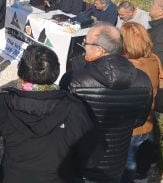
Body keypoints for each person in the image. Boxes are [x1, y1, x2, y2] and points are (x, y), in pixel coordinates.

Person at [0, 44, 97, 182]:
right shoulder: (75, 107)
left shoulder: (3, 103)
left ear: (21, 72)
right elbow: (92, 157)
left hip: (15, 176)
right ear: (56, 72)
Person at [63, 23, 152, 182]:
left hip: (80, 160)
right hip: (116, 160)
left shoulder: (74, 79)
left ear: (99, 49)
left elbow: (63, 120)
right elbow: (139, 119)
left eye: (86, 43)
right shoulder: (144, 80)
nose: (84, 46)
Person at [120, 22, 163, 182]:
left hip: (131, 127)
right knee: (139, 163)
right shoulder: (153, 59)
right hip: (148, 121)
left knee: (128, 165)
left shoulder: (128, 67)